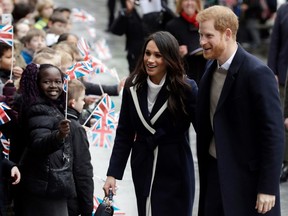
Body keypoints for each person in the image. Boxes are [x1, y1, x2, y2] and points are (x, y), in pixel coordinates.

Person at [195, 5, 284, 216]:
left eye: (208, 35)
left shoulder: (257, 73)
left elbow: (274, 134)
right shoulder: (210, 68)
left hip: (248, 183)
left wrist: (268, 188)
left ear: (227, 34)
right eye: (200, 35)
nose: (201, 42)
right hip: (216, 175)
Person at [103, 31, 198, 216]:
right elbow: (124, 133)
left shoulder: (186, 88)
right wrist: (112, 174)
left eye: (158, 55)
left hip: (175, 165)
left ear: (169, 58)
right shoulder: (132, 85)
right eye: (147, 53)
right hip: (143, 163)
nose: (150, 60)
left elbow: (204, 128)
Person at [15, 63, 74, 216]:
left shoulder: (51, 106)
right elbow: (38, 144)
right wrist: (59, 135)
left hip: (49, 183)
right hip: (45, 186)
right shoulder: (38, 109)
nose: (53, 86)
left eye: (58, 81)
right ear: (37, 84)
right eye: (47, 82)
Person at [66, 79, 94, 216]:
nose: (84, 102)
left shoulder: (58, 118)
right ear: (72, 102)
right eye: (82, 99)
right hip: (72, 197)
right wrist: (88, 207)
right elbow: (83, 170)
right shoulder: (76, 129)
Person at [267, 2, 288, 183]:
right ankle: (284, 161)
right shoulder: (283, 10)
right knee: (282, 119)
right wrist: (271, 70)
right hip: (284, 73)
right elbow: (275, 42)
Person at [165, 0, 207, 84]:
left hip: (204, 72)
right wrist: (177, 52)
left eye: (192, 0)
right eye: (185, 0)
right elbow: (167, 54)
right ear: (180, 3)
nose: (189, 3)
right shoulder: (172, 25)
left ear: (197, 3)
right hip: (185, 74)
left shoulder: (205, 23)